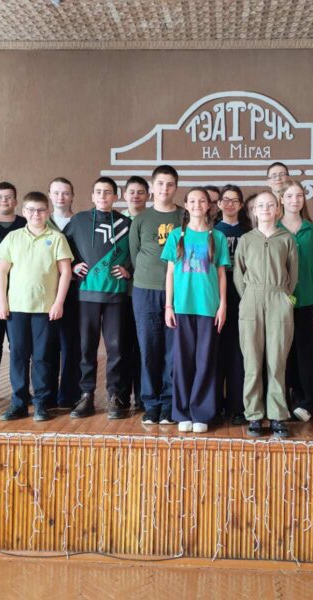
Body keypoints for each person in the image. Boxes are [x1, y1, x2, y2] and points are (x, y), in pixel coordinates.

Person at [0, 192, 73, 422]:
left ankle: (41, 403)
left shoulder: (57, 238)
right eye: (31, 210)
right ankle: (19, 403)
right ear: (24, 212)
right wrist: (2, 302)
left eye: (40, 210)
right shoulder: (13, 237)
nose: (36, 214)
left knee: (42, 357)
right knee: (18, 356)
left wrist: (58, 302)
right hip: (16, 308)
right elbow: (1, 271)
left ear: (47, 212)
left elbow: (65, 272)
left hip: (45, 308)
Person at [65, 177, 132, 419]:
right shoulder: (79, 221)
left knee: (116, 348)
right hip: (86, 295)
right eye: (98, 192)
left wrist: (128, 269)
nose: (103, 196)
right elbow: (62, 247)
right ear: (92, 196)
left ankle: (115, 395)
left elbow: (139, 253)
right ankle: (86, 395)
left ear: (116, 196)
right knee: (86, 347)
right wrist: (72, 265)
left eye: (108, 192)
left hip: (116, 294)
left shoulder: (127, 224)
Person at [163, 188, 229, 433]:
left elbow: (221, 274)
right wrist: (168, 306)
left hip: (208, 308)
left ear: (209, 205)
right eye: (192, 201)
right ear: (186, 205)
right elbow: (170, 273)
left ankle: (201, 412)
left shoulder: (218, 237)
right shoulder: (176, 235)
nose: (197, 204)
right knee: (182, 361)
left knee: (205, 361)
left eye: (202, 201)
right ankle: (182, 413)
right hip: (182, 307)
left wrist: (223, 305)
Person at [234, 190, 298, 438]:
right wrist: (247, 297)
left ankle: (278, 415)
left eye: (271, 205)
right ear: (253, 210)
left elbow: (293, 273)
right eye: (260, 205)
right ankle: (253, 415)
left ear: (277, 209)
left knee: (277, 360)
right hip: (251, 298)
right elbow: (239, 273)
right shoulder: (246, 239)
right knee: (251, 361)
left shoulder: (287, 239)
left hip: (278, 297)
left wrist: (285, 298)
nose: (266, 209)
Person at [129, 165, 183, 425]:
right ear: (152, 187)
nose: (165, 189)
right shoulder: (141, 219)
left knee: (173, 350)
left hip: (179, 292)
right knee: (149, 347)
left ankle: (169, 403)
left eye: (170, 184)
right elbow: (134, 254)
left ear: (176, 188)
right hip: (145, 290)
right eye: (160, 184)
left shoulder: (184, 216)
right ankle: (150, 403)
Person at [278, 179, 313, 422]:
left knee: (306, 352)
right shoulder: (273, 228)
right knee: (282, 353)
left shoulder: (312, 230)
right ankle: (282, 402)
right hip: (280, 300)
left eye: (299, 195)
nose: (295, 200)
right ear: (281, 199)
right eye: (289, 196)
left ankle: (309, 402)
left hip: (306, 299)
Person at [0, 181, 27, 403]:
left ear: (16, 201)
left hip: (21, 296)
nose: (4, 201)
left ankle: (21, 393)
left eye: (8, 197)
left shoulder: (26, 224)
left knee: (19, 348)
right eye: (0, 197)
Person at [214, 184, 251, 425]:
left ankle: (238, 406)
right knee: (216, 351)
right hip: (216, 295)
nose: (229, 204)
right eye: (225, 200)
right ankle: (215, 405)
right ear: (218, 204)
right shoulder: (211, 232)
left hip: (242, 294)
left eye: (234, 200)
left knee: (239, 351)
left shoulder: (248, 232)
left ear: (241, 205)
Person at [47, 177, 80, 410]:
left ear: (72, 196)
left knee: (71, 344)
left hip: (74, 291)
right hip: (46, 291)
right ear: (50, 195)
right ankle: (46, 394)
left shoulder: (81, 222)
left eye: (65, 193)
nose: (61, 197)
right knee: (46, 345)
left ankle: (69, 395)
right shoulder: (40, 221)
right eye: (56, 192)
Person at [120, 175, 149, 409]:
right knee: (122, 347)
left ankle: (141, 397)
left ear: (148, 195)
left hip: (144, 292)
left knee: (143, 347)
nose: (136, 196)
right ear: (124, 195)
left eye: (141, 192)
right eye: (132, 192)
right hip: (120, 294)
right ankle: (120, 397)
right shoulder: (117, 221)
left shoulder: (151, 220)